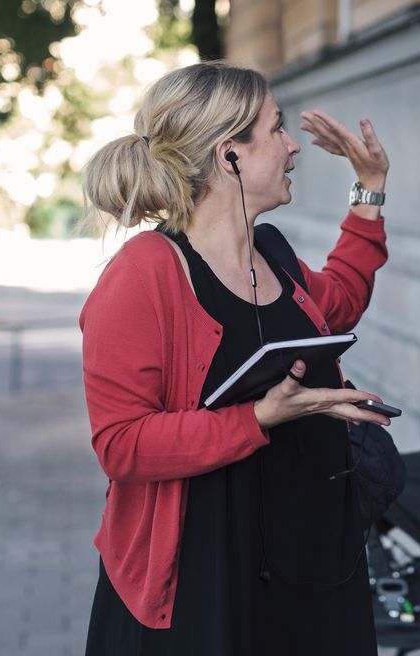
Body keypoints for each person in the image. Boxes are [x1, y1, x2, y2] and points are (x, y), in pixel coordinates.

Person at [79, 61, 394, 655]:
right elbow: (121, 445)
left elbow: (341, 301)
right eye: (276, 129)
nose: (292, 145)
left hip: (315, 554)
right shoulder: (144, 273)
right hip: (206, 572)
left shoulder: (270, 250)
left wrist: (369, 189)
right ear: (230, 156)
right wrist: (258, 419)